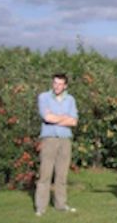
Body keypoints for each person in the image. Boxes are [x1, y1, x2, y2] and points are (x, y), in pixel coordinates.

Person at [35, 73, 78, 217]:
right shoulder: (43, 97)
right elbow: (46, 117)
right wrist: (64, 118)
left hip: (65, 140)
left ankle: (61, 204)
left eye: (60, 84)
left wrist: (55, 118)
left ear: (65, 85)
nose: (57, 86)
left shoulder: (70, 99)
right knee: (45, 174)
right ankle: (41, 207)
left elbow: (74, 121)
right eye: (55, 83)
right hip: (49, 139)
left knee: (62, 175)